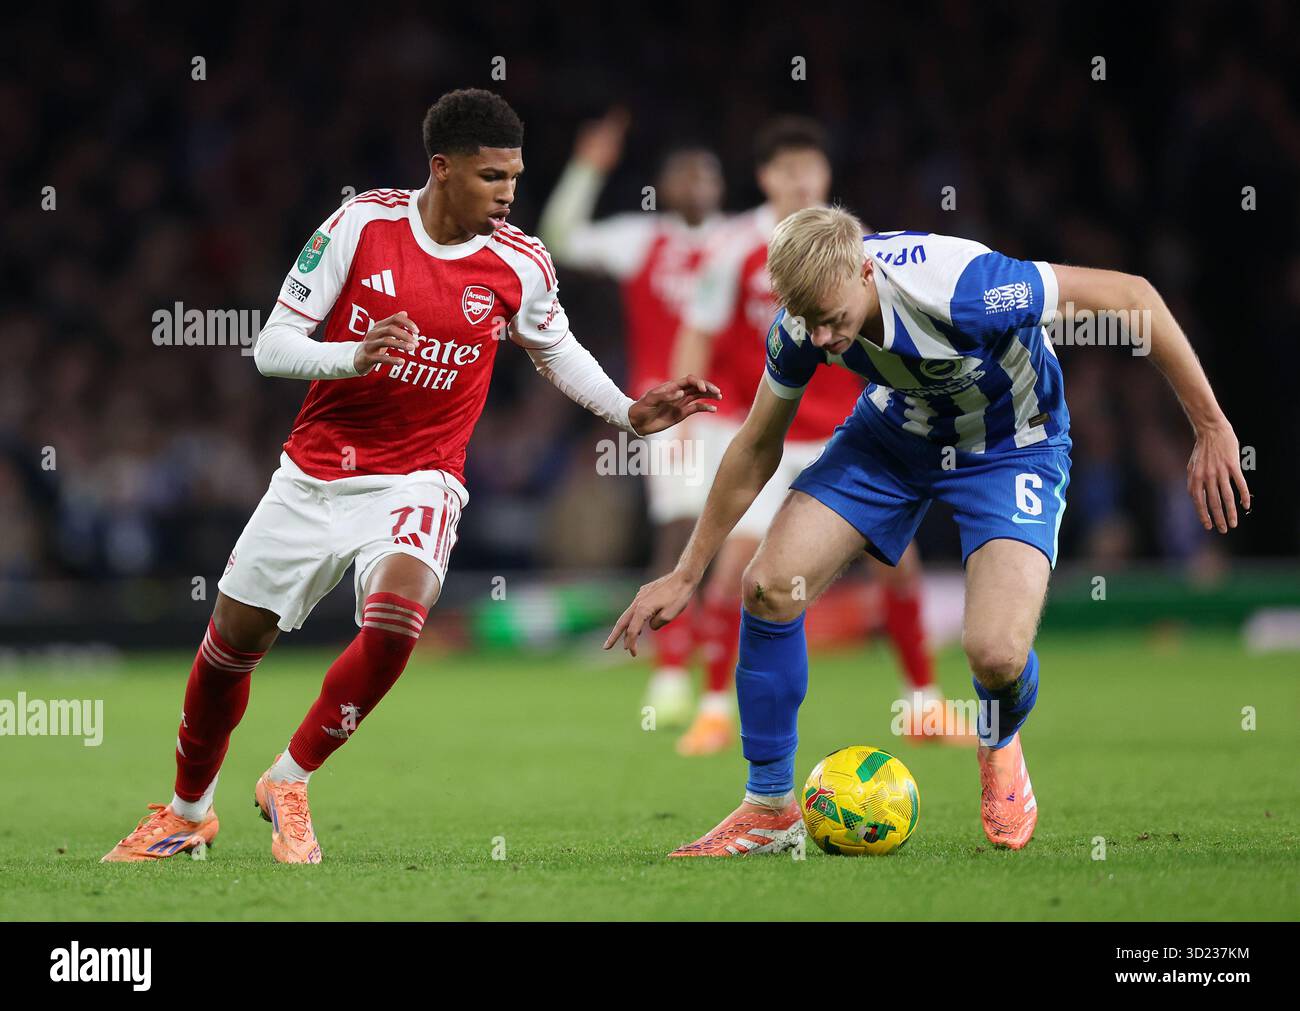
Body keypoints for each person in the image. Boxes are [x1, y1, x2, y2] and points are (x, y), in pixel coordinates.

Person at [102, 89, 719, 864]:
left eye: (516, 177)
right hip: (313, 474)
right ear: (443, 168)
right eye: (493, 176)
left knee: (397, 622)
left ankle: (289, 777)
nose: (507, 193)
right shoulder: (361, 224)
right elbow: (271, 346)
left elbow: (555, 349)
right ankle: (188, 813)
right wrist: (349, 356)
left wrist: (630, 412)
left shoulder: (519, 264)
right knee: (229, 648)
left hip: (420, 479)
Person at [606, 206, 1250, 855]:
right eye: (813, 321)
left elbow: (1133, 296)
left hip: (1012, 446)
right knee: (768, 586)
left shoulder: (966, 286)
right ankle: (769, 807)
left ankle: (997, 737)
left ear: (864, 270)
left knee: (997, 655)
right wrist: (687, 571)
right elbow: (755, 446)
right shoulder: (802, 321)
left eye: (836, 318)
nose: (827, 337)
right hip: (893, 439)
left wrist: (1211, 424)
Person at [668, 118, 951, 756]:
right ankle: (713, 707)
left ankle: (924, 705)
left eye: (810, 166)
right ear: (765, 176)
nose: (800, 178)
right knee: (737, 567)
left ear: (826, 174)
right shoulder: (732, 247)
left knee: (898, 564)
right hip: (761, 429)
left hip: (845, 434)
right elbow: (699, 327)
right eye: (786, 167)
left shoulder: (858, 251)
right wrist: (688, 409)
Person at [539, 109, 726, 728]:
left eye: (707, 175)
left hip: (742, 408)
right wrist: (587, 169)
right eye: (685, 176)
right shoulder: (642, 238)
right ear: (666, 187)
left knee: (740, 546)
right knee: (678, 530)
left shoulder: (746, 239)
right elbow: (560, 237)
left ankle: (722, 681)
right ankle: (673, 673)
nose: (697, 185)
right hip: (670, 410)